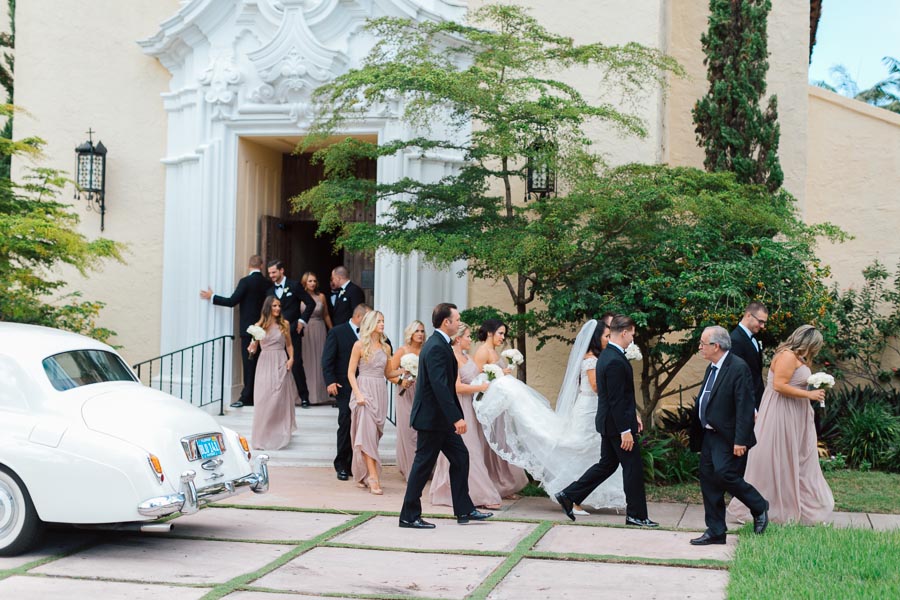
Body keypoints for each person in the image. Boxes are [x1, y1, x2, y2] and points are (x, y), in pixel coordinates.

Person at [472, 320, 626, 513]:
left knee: (594, 452)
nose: (609, 339)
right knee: (580, 450)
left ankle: (588, 495)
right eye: (606, 336)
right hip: (588, 410)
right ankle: (572, 496)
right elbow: (595, 387)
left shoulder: (599, 357)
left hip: (593, 409)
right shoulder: (591, 359)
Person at [555, 315, 657, 527]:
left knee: (607, 464)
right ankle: (636, 515)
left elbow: (619, 397)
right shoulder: (613, 360)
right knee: (633, 468)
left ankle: (569, 494)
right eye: (632, 335)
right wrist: (625, 430)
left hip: (609, 423)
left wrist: (633, 417)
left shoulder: (607, 356)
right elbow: (616, 400)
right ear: (625, 332)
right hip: (616, 426)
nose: (632, 340)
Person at [728, 325, 834, 525]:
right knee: (779, 459)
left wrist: (814, 388)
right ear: (807, 342)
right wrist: (809, 394)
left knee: (800, 459)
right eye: (815, 346)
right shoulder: (786, 356)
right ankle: (768, 507)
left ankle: (802, 505)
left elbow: (793, 383)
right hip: (781, 414)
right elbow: (779, 385)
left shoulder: (797, 359)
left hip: (796, 415)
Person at [399, 303, 493, 529]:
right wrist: (456, 418)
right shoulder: (436, 347)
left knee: (461, 457)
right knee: (422, 466)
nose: (459, 323)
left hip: (439, 420)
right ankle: (409, 515)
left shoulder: (440, 344)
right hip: (432, 420)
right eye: (457, 319)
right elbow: (441, 386)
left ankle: (464, 509)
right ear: (446, 322)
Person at [690, 326, 768, 545]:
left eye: (703, 344)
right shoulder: (712, 367)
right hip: (709, 434)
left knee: (725, 474)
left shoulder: (737, 367)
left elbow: (745, 405)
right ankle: (715, 531)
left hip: (729, 435)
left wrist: (741, 439)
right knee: (708, 480)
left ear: (716, 346)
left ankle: (758, 505)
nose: (700, 347)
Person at [430, 322, 502, 509]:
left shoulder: (467, 357)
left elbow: (478, 377)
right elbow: (457, 387)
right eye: (468, 336)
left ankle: (464, 492)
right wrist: (480, 387)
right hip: (459, 406)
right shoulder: (452, 357)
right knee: (470, 450)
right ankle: (482, 495)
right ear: (458, 338)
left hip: (471, 407)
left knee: (473, 448)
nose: (471, 339)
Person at [200, 254, 272, 408]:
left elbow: (232, 301)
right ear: (262, 265)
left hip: (248, 330)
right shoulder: (267, 283)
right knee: (262, 364)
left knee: (248, 364)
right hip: (265, 328)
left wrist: (212, 296)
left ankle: (247, 397)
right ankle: (259, 395)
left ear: (249, 265)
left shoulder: (245, 282)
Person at [472, 319, 528, 499]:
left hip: (499, 405)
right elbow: (478, 378)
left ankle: (505, 484)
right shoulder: (482, 351)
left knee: (502, 443)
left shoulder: (493, 351)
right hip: (489, 405)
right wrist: (498, 374)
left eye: (504, 334)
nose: (503, 337)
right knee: (491, 445)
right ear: (490, 332)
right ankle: (495, 484)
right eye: (500, 333)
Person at [347, 310, 401, 494]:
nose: (382, 324)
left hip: (380, 392)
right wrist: (358, 394)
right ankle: (373, 478)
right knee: (365, 436)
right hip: (364, 393)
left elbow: (389, 374)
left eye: (383, 321)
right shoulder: (359, 345)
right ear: (370, 323)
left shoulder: (385, 348)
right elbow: (350, 373)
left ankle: (363, 473)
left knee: (373, 437)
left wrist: (406, 371)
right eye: (379, 321)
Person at [322, 303, 371, 481]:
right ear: (359, 317)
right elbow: (327, 359)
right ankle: (341, 464)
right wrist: (330, 381)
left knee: (363, 425)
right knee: (346, 421)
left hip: (367, 386)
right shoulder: (337, 332)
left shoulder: (372, 335)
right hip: (344, 386)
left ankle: (356, 464)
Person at [248, 296, 298, 450]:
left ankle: (279, 434)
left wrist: (291, 359)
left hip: (280, 361)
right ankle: (262, 436)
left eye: (279, 306)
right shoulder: (259, 326)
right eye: (275, 306)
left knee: (278, 399)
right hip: (264, 363)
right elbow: (253, 347)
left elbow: (289, 345)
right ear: (268, 307)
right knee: (264, 400)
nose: (277, 308)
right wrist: (251, 348)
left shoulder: (285, 324)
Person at [267, 260, 315, 408]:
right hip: (275, 333)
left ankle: (304, 397)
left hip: (293, 330)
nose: (271, 275)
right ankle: (277, 398)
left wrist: (302, 321)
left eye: (274, 272)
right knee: (276, 365)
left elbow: (310, 303)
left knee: (296, 364)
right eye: (269, 273)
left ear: (282, 271)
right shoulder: (269, 291)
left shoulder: (294, 286)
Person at [389, 320, 426, 480]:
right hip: (405, 392)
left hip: (423, 393)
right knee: (408, 431)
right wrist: (401, 380)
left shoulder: (426, 350)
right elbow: (389, 373)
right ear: (410, 333)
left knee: (421, 433)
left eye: (422, 331)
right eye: (417, 331)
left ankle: (422, 469)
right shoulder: (402, 350)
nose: (420, 334)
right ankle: (410, 470)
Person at [299, 271, 333, 406]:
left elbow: (326, 315)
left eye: (314, 281)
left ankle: (319, 395)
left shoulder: (321, 296)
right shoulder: (300, 297)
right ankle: (305, 395)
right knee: (306, 360)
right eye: (309, 281)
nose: (312, 283)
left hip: (319, 329)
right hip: (304, 330)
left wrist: (332, 330)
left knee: (320, 360)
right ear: (304, 283)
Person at [730, 302, 768, 410]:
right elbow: (738, 377)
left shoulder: (753, 337)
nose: (763, 326)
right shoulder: (735, 339)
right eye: (760, 321)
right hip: (747, 403)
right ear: (748, 315)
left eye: (764, 322)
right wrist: (750, 408)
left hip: (757, 398)